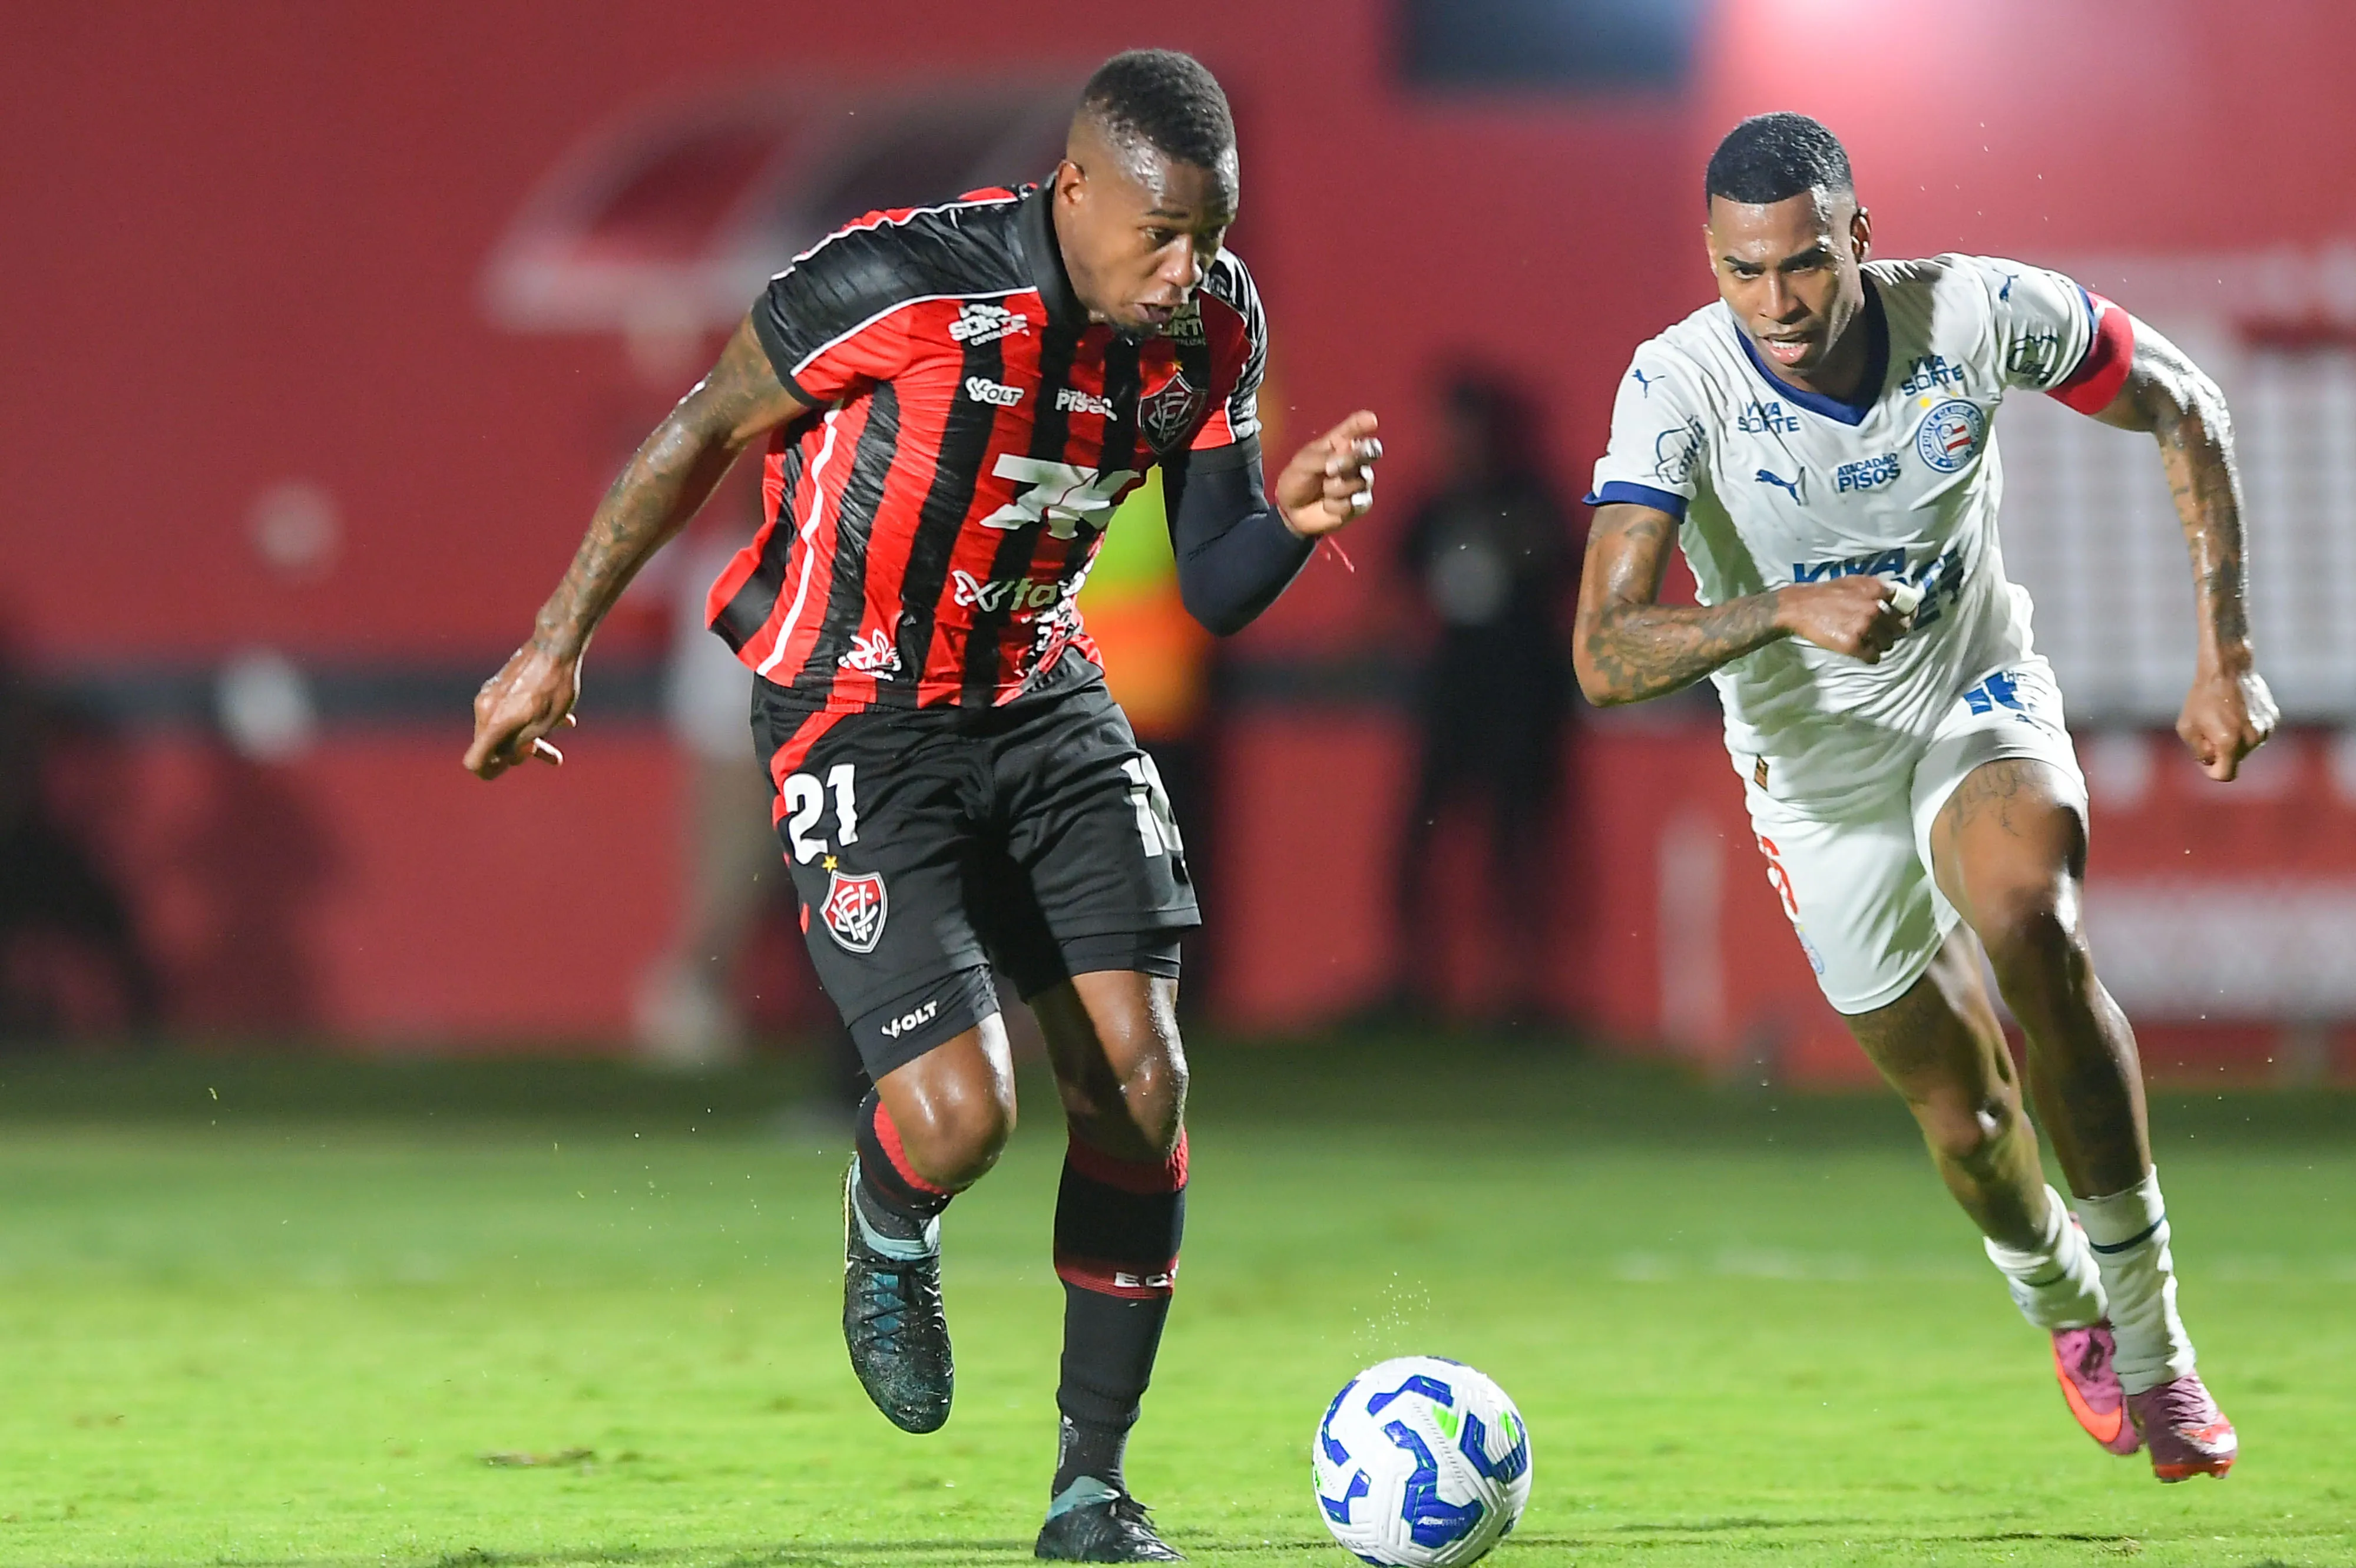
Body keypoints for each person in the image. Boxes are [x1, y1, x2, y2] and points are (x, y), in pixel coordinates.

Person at [464, 50, 1382, 1561]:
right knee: (962, 1120)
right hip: (856, 712)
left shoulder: (1213, 325)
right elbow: (698, 430)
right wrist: (552, 645)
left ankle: (1091, 1488)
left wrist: (1284, 520)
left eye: (1209, 234)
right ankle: (891, 1218)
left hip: (1040, 697)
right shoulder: (896, 279)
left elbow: (1212, 584)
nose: (1187, 266)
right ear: (1073, 188)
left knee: (1142, 1090)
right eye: (1158, 232)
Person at [1576, 113, 2273, 1483]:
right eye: (1739, 272)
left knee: (2030, 921)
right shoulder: (1676, 385)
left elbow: (2185, 407)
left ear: (1858, 237)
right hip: (1812, 780)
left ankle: (2153, 1340)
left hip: (1973, 699)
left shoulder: (1972, 311)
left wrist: (2228, 649)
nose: (1773, 303)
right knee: (1965, 1121)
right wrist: (1779, 610)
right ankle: (2063, 1301)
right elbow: (1603, 649)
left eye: (1800, 266)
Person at [1391, 372, 1577, 1023]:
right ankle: (1416, 982)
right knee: (1421, 839)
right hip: (1451, 690)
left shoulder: (1523, 500)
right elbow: (1393, 584)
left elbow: (1563, 573)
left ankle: (1515, 992)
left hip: (1519, 692)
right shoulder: (1434, 503)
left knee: (1514, 845)